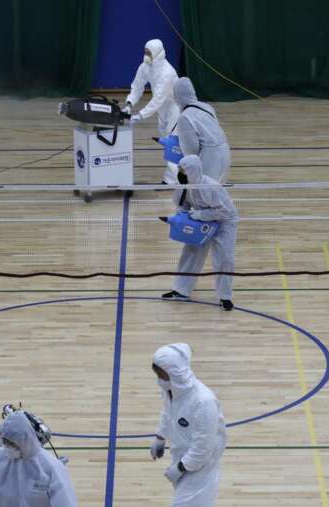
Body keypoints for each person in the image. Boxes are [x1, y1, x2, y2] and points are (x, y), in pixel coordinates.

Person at [149, 343, 227, 507]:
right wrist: (161, 437)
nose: (160, 380)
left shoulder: (203, 401)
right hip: (183, 464)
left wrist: (179, 469)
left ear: (176, 372)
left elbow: (203, 448)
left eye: (162, 374)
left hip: (199, 470)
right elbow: (168, 414)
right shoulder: (173, 391)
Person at [161, 154, 239, 311]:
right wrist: (182, 219)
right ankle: (181, 290)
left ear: (193, 170)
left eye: (184, 170)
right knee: (190, 252)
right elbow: (182, 206)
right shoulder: (183, 187)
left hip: (224, 222)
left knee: (224, 258)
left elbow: (223, 211)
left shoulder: (211, 187)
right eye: (180, 169)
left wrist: (200, 215)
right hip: (201, 221)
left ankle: (225, 297)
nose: (181, 173)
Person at [124, 38, 180, 184]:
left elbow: (157, 100)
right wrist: (129, 103)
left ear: (157, 53)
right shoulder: (145, 67)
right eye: (145, 51)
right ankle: (179, 174)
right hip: (162, 109)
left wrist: (139, 116)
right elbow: (137, 87)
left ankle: (172, 180)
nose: (146, 55)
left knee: (172, 143)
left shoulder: (168, 72)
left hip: (175, 108)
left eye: (149, 52)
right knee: (167, 140)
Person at [172, 77, 231, 183]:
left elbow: (191, 151)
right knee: (218, 192)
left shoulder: (185, 117)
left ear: (177, 96)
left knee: (204, 195)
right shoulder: (206, 107)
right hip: (225, 151)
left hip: (210, 158)